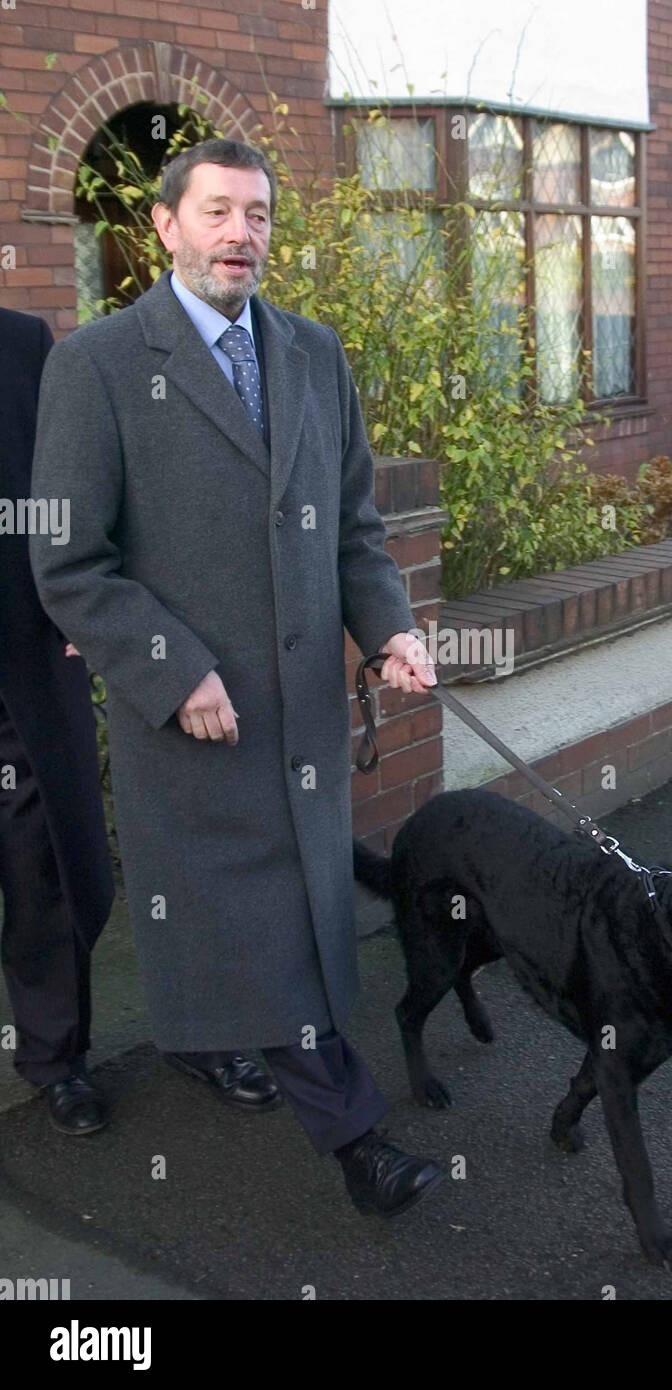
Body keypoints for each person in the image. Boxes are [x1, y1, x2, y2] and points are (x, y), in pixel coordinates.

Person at [29, 138, 446, 1217]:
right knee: (251, 922)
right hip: (194, 719)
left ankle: (213, 1042)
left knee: (292, 916)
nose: (239, 235)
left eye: (257, 215)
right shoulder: (97, 364)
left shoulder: (314, 353)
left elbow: (354, 529)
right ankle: (358, 1141)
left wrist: (389, 632)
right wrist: (173, 672)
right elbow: (68, 560)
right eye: (216, 212)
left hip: (303, 715)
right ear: (165, 226)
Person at [0, 305, 114, 1133]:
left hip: (23, 656)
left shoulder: (21, 344)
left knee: (43, 863)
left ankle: (55, 1056)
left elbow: (69, 485)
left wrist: (85, 604)